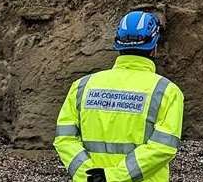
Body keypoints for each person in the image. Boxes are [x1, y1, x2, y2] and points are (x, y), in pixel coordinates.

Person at [53, 9, 184, 182]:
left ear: (117, 44)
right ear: (154, 47)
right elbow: (162, 148)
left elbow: (64, 139)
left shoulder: (82, 87)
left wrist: (89, 176)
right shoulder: (167, 91)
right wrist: (113, 177)